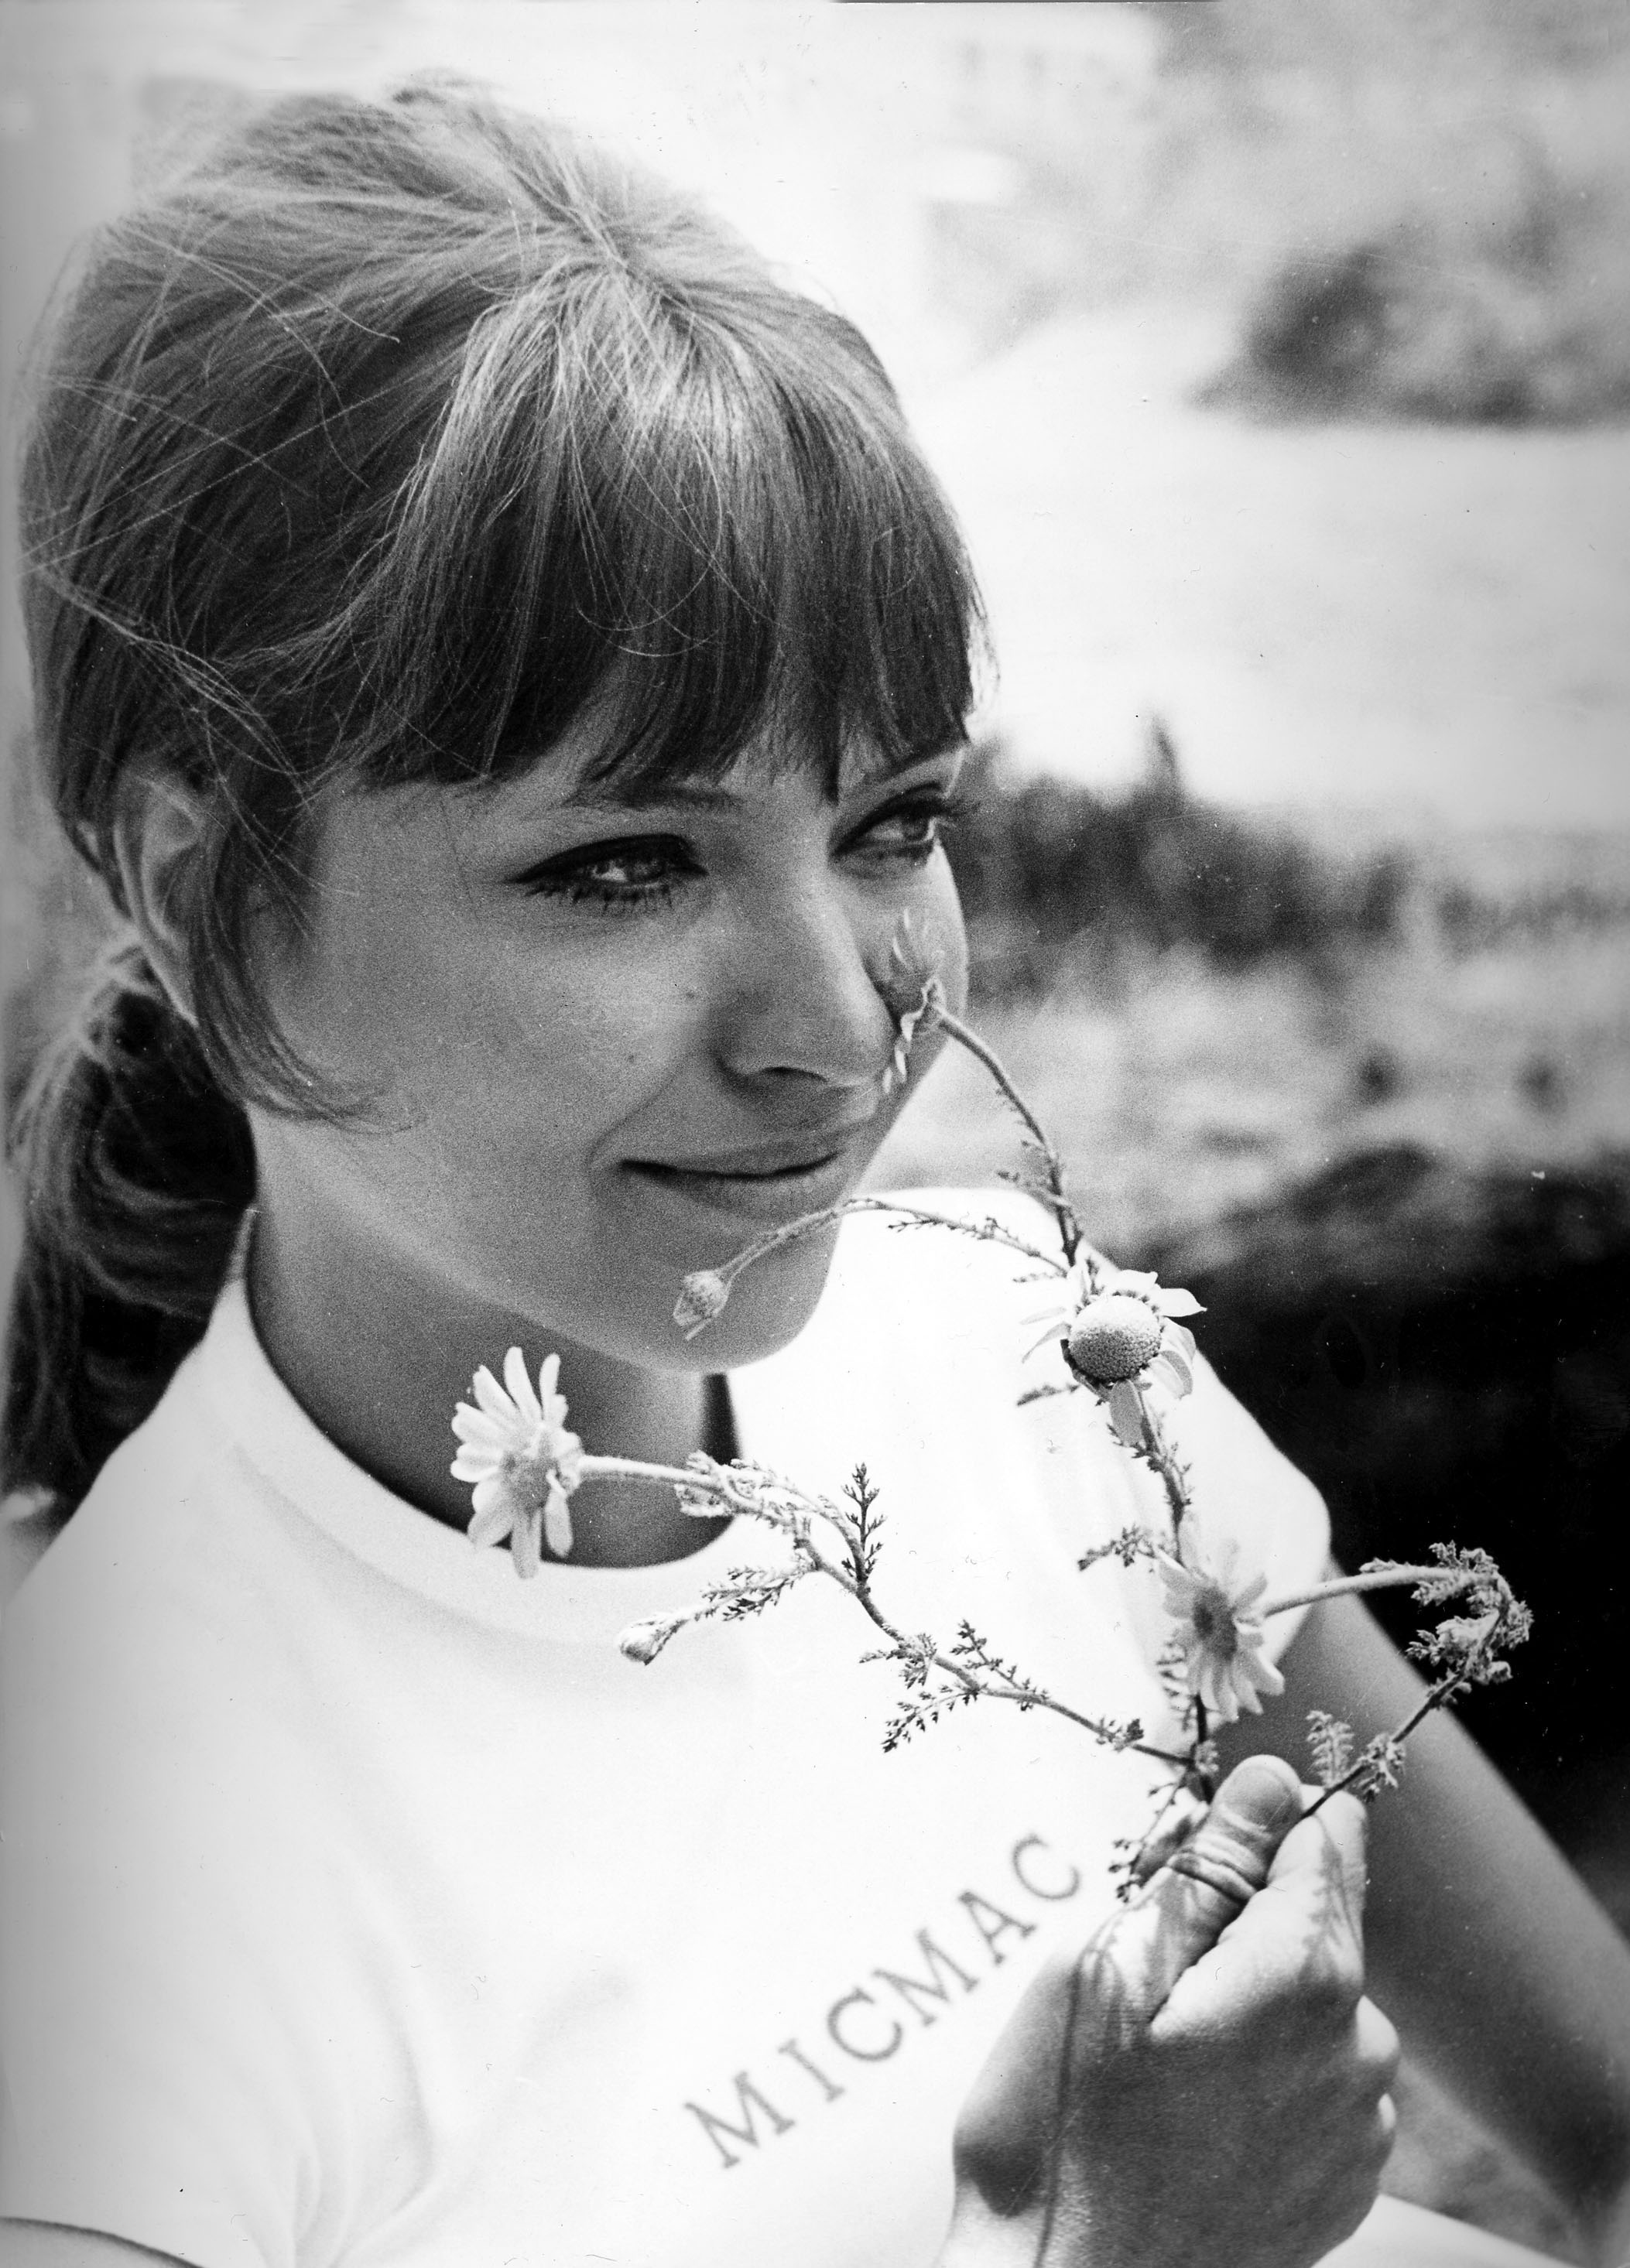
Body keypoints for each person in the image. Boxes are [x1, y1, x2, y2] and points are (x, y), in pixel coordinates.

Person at [1, 82, 1625, 2268]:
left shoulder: (1046, 1373)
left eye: (892, 821)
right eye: (622, 864)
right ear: (196, 887)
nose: (842, 1028)